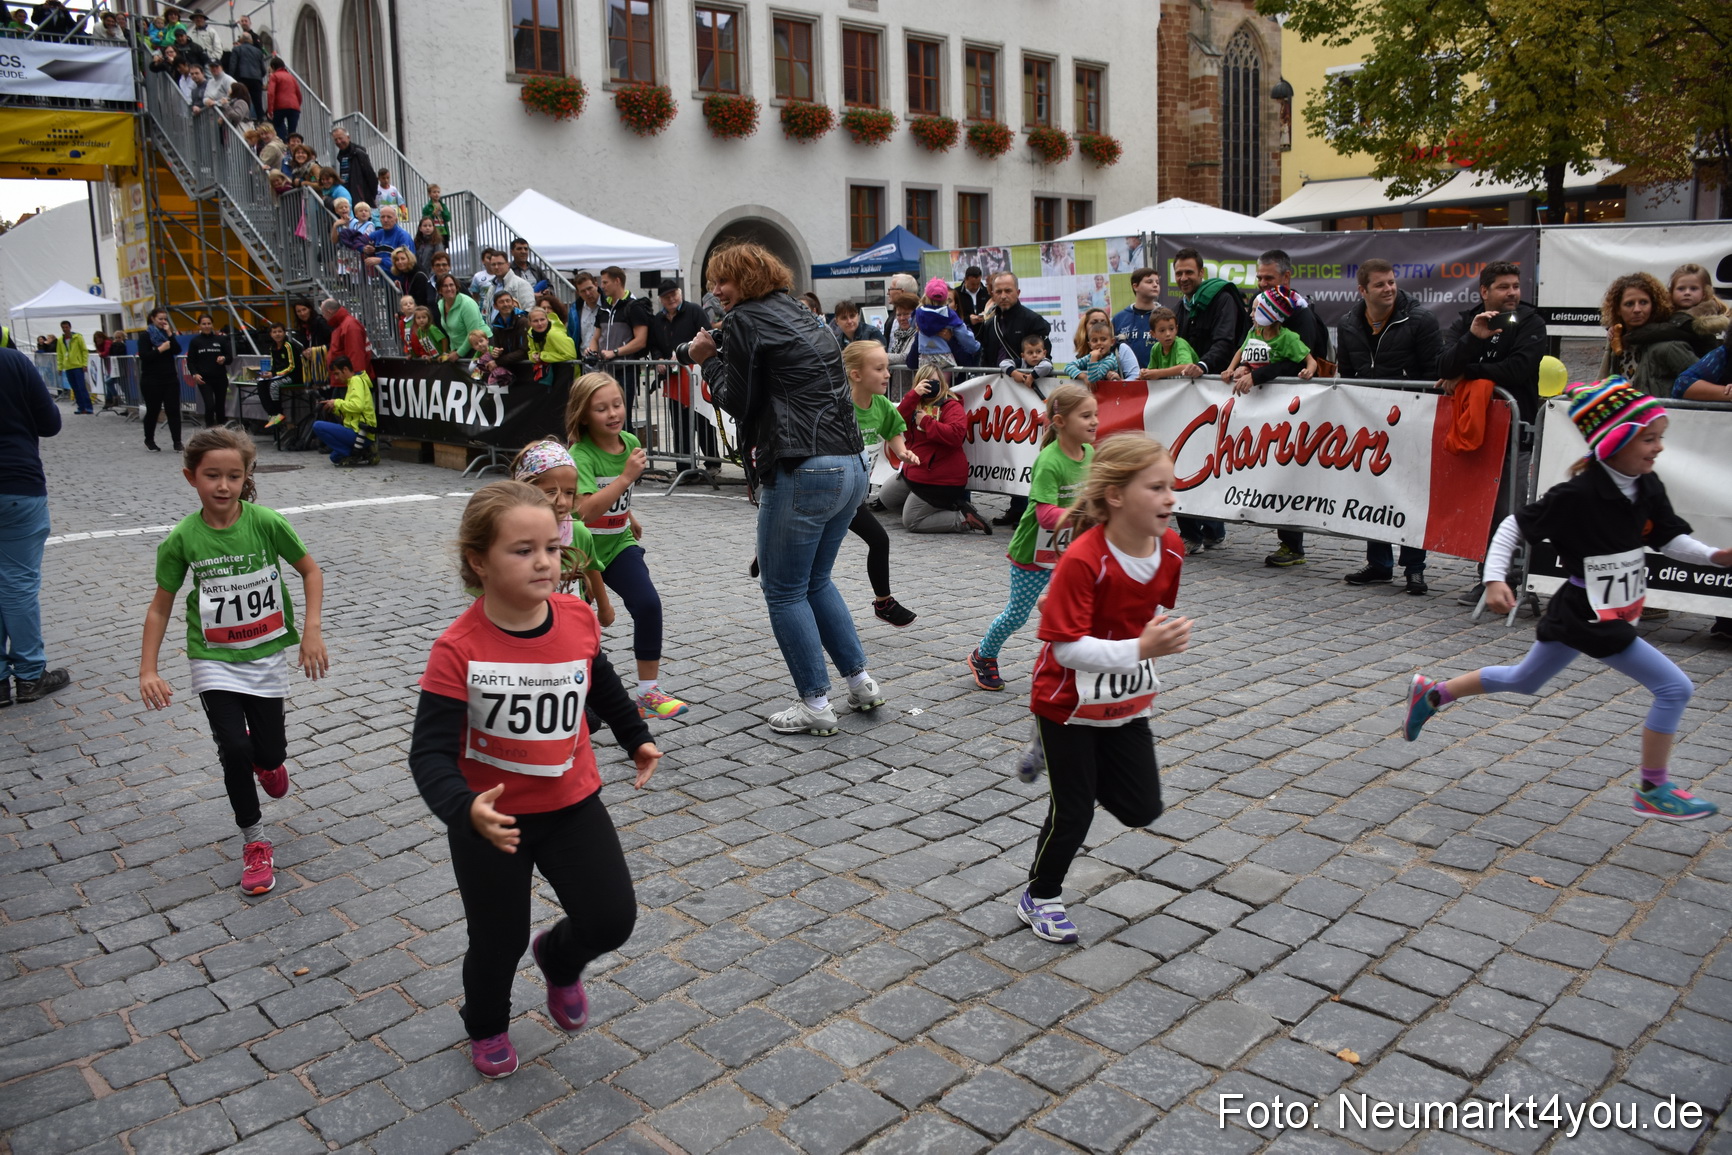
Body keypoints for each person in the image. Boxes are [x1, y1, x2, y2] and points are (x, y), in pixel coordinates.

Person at [408, 481, 656, 1079]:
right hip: (491, 823)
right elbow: (430, 754)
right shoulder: (457, 649)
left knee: (611, 918)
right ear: (479, 561)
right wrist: (464, 809)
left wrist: (635, 737)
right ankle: (487, 1023)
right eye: (522, 550)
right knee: (498, 941)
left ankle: (559, 958)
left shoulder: (574, 618)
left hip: (571, 803)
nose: (543, 561)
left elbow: (601, 684)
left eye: (551, 546)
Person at [1405, 379, 1728, 821]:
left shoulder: (1646, 485)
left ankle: (1433, 693)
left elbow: (1670, 538)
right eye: (1649, 438)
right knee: (1675, 688)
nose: (1658, 449)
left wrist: (1715, 556)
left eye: (1660, 438)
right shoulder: (1577, 494)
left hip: (1600, 609)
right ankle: (1653, 789)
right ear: (1617, 441)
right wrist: (1497, 578)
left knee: (1524, 680)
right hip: (1588, 615)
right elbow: (1513, 527)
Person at [682, 241, 885, 736]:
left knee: (784, 590)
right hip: (850, 463)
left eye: (722, 281)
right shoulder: (802, 314)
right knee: (816, 581)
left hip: (804, 467)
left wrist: (706, 358)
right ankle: (860, 683)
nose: (715, 291)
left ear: (746, 280)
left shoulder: (747, 320)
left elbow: (737, 401)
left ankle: (815, 702)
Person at [1016, 434, 1191, 943]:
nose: (1170, 499)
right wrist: (1141, 648)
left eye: (1171, 487)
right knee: (1074, 809)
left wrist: (1153, 637)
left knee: (1142, 809)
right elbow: (1067, 649)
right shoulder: (1083, 559)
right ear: (1116, 495)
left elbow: (1147, 610)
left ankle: (1065, 764)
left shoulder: (1172, 550)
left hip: (1124, 700)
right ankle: (1041, 895)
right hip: (1064, 702)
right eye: (1156, 487)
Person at [138, 428, 328, 895]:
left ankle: (269, 764)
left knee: (269, 752)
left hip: (265, 657)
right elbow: (160, 606)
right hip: (213, 658)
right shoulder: (182, 538)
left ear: (246, 478)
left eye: (233, 476)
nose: (223, 486)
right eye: (212, 476)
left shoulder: (265, 523)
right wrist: (148, 669)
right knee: (234, 750)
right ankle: (255, 842)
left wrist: (311, 630)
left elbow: (310, 570)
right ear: (191, 478)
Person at [564, 371, 690, 721]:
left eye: (617, 404)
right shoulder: (581, 454)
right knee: (579, 628)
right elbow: (585, 512)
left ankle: (648, 692)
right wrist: (625, 479)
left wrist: (628, 514)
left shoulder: (630, 441)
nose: (613, 413)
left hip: (618, 543)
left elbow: (617, 495)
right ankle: (579, 694)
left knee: (648, 604)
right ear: (584, 415)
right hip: (581, 550)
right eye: (601, 408)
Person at [1324, 258, 1447, 588]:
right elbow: (1348, 375)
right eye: (1380, 284)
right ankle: (1378, 563)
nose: (1389, 288)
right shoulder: (1350, 323)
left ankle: (1414, 567)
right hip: (1369, 422)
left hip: (1411, 420)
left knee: (1410, 493)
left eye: (1391, 282)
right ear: (1363, 290)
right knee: (1374, 490)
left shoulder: (1420, 319)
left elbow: (1434, 373)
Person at [968, 383, 1098, 692]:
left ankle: (1073, 655)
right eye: (1085, 416)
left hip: (1071, 548)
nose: (1094, 421)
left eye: (1096, 415)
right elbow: (1045, 514)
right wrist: (1083, 516)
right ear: (1061, 422)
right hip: (1034, 551)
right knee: (1016, 616)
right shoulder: (1050, 461)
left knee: (1087, 601)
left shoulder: (1090, 452)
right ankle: (983, 655)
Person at [0, 345, 67, 707]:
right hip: (15, 483)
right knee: (18, 582)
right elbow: (50, 423)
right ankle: (29, 675)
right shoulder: (12, 360)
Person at [841, 341, 918, 627]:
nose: (887, 374)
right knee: (814, 548)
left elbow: (893, 430)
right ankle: (771, 551)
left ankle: (883, 603)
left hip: (855, 495)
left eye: (887, 367)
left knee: (878, 540)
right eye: (879, 368)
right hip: (832, 493)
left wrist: (901, 451)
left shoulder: (882, 405)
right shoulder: (840, 407)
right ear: (856, 374)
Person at [877, 367, 992, 535]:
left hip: (941, 478)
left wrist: (926, 422)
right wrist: (913, 395)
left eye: (935, 382)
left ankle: (962, 518)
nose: (930, 386)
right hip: (916, 471)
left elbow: (956, 435)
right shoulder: (914, 403)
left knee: (912, 522)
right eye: (926, 382)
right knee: (886, 498)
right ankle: (933, 510)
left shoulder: (951, 405)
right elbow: (895, 421)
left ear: (943, 384)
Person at [508, 442, 614, 624]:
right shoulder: (510, 535)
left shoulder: (578, 531)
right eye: (551, 491)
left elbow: (591, 568)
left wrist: (604, 607)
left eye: (569, 492)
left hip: (572, 624)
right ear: (526, 488)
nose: (562, 502)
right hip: (527, 626)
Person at [978, 272, 1054, 525]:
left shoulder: (1033, 320)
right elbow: (987, 358)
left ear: (1018, 292)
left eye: (1008, 290)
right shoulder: (990, 324)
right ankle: (1015, 506)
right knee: (1007, 450)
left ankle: (1029, 508)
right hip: (1001, 396)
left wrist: (1030, 372)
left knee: (1027, 451)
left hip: (1028, 396)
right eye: (998, 291)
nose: (1003, 296)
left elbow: (1044, 355)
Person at [1597, 272, 1697, 399]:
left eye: (1643, 302)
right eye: (1629, 304)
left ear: (1653, 306)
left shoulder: (1670, 347)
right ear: (1617, 309)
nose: (1637, 309)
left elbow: (1702, 381)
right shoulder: (1617, 341)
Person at [646, 279, 712, 464]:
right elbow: (653, 345)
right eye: (666, 297)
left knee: (702, 420)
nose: (671, 299)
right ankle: (684, 465)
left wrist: (686, 352)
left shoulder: (694, 311)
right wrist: (658, 359)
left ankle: (712, 461)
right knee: (679, 422)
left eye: (673, 294)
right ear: (660, 299)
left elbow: (706, 335)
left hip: (696, 375)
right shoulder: (657, 320)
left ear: (680, 293)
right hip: (673, 378)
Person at [1222, 287, 1318, 397]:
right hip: (1254, 394)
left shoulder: (1288, 338)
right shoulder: (1254, 332)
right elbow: (1241, 351)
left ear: (1269, 313)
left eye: (1255, 310)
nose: (1250, 315)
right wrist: (1230, 369)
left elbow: (1311, 361)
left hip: (1278, 395)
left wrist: (1308, 371)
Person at [588, 266, 651, 421]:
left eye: (605, 282)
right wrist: (591, 350)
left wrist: (615, 352)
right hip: (605, 370)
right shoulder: (603, 307)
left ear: (617, 281)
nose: (602, 287)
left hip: (626, 370)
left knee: (621, 418)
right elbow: (596, 337)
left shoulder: (634, 306)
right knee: (604, 416)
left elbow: (641, 341)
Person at [312, 354, 375, 466]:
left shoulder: (356, 380)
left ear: (345, 369)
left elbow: (357, 406)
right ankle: (362, 452)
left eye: (337, 373)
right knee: (334, 457)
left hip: (360, 432)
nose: (336, 377)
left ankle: (355, 453)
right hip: (356, 431)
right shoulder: (351, 383)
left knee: (317, 426)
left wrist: (336, 402)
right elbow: (352, 411)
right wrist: (334, 408)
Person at [911, 277, 980, 373]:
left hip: (924, 357)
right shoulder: (948, 314)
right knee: (944, 385)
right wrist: (975, 346)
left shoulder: (919, 312)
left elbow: (912, 323)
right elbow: (963, 334)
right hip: (944, 357)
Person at [138, 309, 183, 452]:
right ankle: (149, 439)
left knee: (173, 410)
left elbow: (177, 350)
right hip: (151, 379)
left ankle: (177, 441)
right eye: (160, 319)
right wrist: (160, 350)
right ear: (152, 319)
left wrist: (170, 334)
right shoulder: (145, 336)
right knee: (153, 410)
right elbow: (145, 356)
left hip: (169, 378)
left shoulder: (166, 335)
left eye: (165, 319)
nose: (163, 322)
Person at [1664, 263, 1729, 357]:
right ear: (1671, 292)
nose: (1687, 293)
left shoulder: (1717, 320)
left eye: (1693, 288)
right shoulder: (1663, 316)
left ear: (1705, 292)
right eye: (1681, 288)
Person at [184, 313, 233, 428]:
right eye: (204, 324)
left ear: (212, 325)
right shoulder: (195, 341)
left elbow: (230, 357)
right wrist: (194, 374)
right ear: (199, 326)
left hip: (220, 377)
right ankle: (209, 428)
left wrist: (224, 359)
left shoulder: (221, 339)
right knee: (209, 405)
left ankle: (222, 429)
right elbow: (190, 361)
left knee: (220, 406)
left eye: (209, 323)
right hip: (204, 379)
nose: (206, 326)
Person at [257, 321, 304, 429]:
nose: (277, 334)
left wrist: (274, 374)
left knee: (274, 384)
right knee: (261, 383)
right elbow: (274, 364)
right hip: (278, 375)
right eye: (274, 332)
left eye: (280, 331)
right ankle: (272, 414)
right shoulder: (272, 347)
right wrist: (268, 373)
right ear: (270, 334)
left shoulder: (288, 346)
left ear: (284, 333)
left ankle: (278, 413)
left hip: (293, 376)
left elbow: (292, 366)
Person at [436, 275, 486, 360]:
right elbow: (450, 332)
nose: (449, 288)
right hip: (460, 350)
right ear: (440, 290)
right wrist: (453, 350)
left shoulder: (467, 304)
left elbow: (473, 333)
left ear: (456, 287)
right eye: (445, 286)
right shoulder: (440, 304)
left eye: (451, 285)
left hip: (478, 347)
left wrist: (459, 353)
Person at [1066, 317, 1127, 384]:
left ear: (1112, 342)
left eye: (1103, 339)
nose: (1099, 343)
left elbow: (1093, 379)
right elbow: (1068, 366)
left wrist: (1093, 359)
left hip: (1108, 393)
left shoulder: (1110, 360)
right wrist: (1083, 376)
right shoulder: (1090, 357)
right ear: (1090, 345)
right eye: (1095, 340)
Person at [1143, 307, 1198, 381]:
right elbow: (1152, 371)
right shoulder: (1155, 349)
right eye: (1162, 330)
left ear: (1176, 329)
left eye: (1171, 329)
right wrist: (1145, 374)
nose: (1168, 334)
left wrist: (1158, 373)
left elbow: (1186, 366)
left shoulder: (1180, 344)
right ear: (1153, 334)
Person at [319, 298, 370, 377]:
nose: (323, 317)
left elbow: (356, 355)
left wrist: (356, 379)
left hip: (349, 379)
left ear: (329, 312)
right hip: (344, 378)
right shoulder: (341, 325)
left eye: (323, 313)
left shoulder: (349, 326)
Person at [330, 126, 377, 209]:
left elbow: (370, 175)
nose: (339, 142)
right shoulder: (341, 156)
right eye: (336, 140)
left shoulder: (358, 153)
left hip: (360, 198)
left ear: (348, 137)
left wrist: (372, 196)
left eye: (340, 138)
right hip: (348, 196)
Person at [53, 321, 92, 416]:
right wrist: (60, 367)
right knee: (75, 388)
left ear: (70, 327)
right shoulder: (60, 340)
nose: (65, 329)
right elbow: (60, 354)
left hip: (77, 365)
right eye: (63, 327)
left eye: (66, 327)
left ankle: (88, 407)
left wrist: (84, 364)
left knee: (81, 387)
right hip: (68, 366)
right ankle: (81, 407)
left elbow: (84, 351)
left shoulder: (78, 337)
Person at [365, 206, 415, 272]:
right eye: (383, 217)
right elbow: (360, 241)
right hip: (382, 278)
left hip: (399, 278)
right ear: (379, 219)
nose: (385, 220)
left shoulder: (403, 236)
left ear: (396, 220)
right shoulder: (376, 235)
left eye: (389, 217)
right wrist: (364, 248)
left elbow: (405, 262)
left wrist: (381, 260)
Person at [228, 32, 266, 119]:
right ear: (251, 40)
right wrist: (259, 76)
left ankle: (245, 120)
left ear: (241, 40)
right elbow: (263, 70)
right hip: (256, 79)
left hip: (242, 78)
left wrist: (232, 80)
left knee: (242, 101)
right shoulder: (258, 51)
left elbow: (232, 66)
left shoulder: (237, 49)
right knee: (258, 103)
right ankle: (262, 122)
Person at [264, 57, 300, 142]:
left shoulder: (274, 76)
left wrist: (270, 110)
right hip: (294, 107)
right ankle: (292, 148)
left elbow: (270, 93)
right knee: (292, 132)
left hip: (280, 106)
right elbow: (298, 93)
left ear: (273, 67)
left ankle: (282, 143)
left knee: (277, 125)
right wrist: (297, 105)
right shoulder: (291, 77)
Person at [566, 270, 600, 353]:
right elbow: (571, 335)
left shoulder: (609, 305)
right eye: (583, 291)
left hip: (606, 360)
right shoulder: (574, 311)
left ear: (596, 285)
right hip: (583, 360)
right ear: (578, 292)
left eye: (590, 288)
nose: (588, 293)